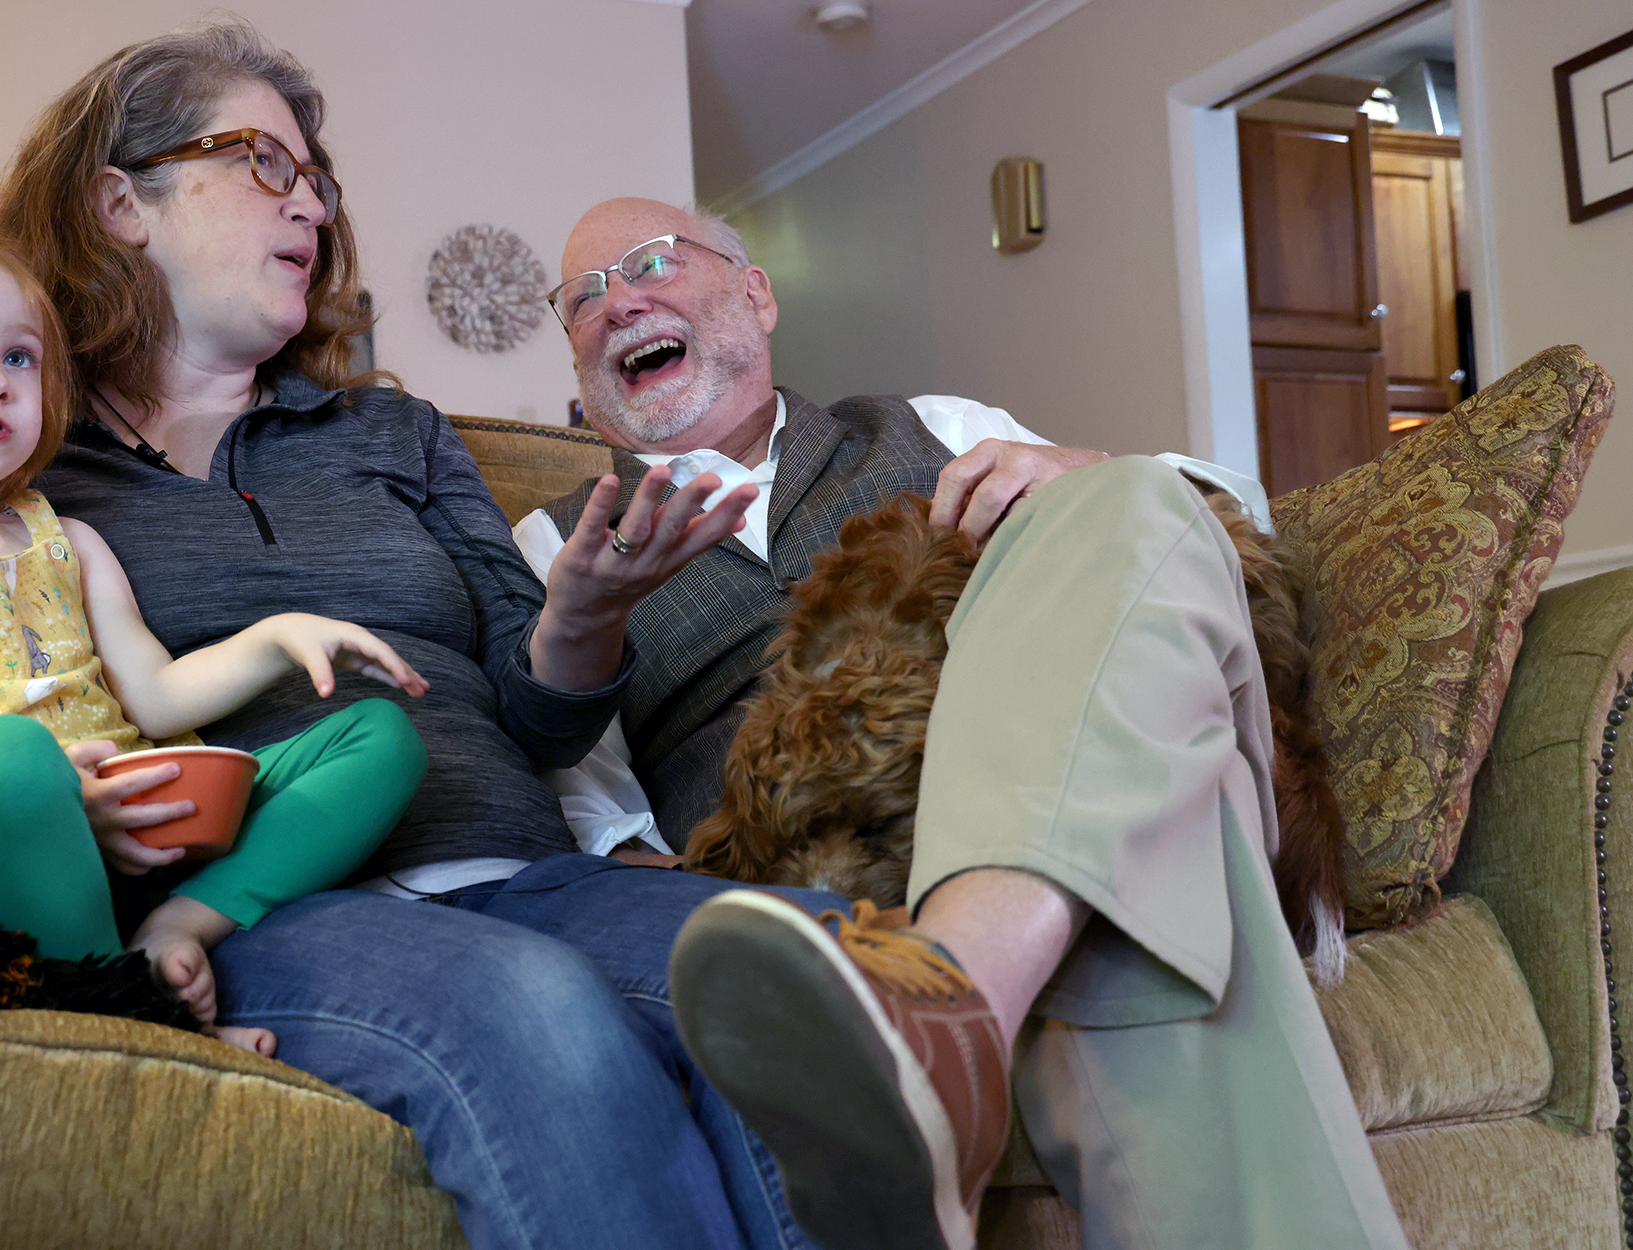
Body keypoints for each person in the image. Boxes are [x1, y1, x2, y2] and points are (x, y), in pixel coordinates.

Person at [0, 22, 873, 1250]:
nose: (311, 202)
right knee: (535, 1010)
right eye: (265, 162)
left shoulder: (390, 436)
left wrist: (580, 613)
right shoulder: (26, 471)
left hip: (518, 870)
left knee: (813, 958)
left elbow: (537, 707)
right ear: (120, 200)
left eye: (317, 177)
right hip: (271, 903)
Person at [520, 197, 1408, 1250]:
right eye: (583, 297)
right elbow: (590, 818)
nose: (618, 301)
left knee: (1128, 501)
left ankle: (947, 1015)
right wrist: (579, 625)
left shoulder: (931, 422)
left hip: (1051, 759)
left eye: (650, 263)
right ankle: (961, 994)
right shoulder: (556, 542)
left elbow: (1212, 531)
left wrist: (1090, 472)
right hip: (822, 867)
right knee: (1154, 861)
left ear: (755, 296)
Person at [0, 217, 431, 1056]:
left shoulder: (63, 539)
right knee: (2, 755)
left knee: (381, 736)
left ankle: (176, 930)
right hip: (15, 837)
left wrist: (277, 635)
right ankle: (117, 1011)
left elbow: (156, 695)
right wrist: (57, 787)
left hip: (153, 814)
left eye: (18, 357)